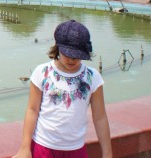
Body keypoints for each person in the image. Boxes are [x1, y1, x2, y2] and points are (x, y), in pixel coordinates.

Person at [14, 20, 112, 158]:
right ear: (58, 47)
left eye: (77, 56)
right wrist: (25, 148)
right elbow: (32, 110)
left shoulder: (92, 77)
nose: (72, 60)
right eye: (67, 54)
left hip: (76, 148)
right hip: (43, 145)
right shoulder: (42, 72)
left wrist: (108, 153)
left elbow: (100, 117)